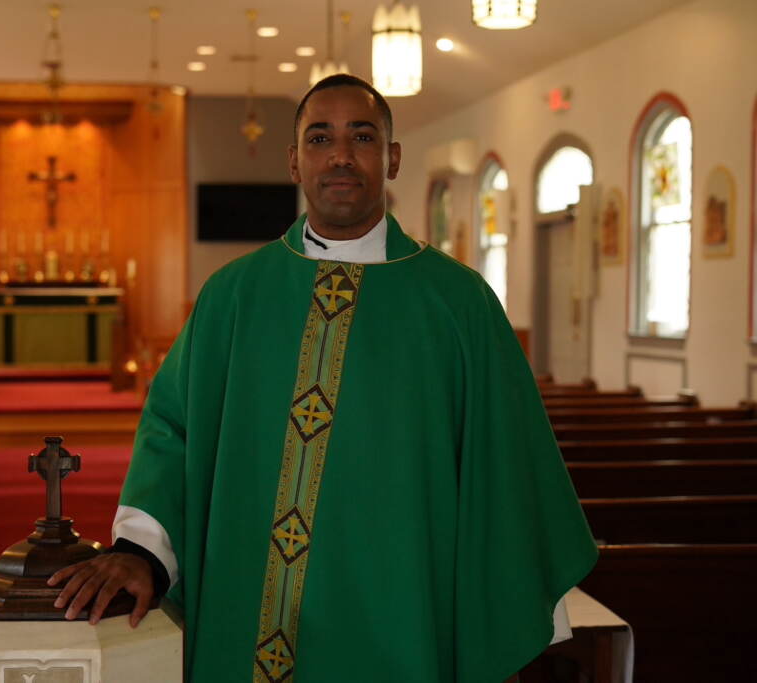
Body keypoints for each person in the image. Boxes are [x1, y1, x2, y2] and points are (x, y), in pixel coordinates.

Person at [48, 74, 598, 682]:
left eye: (361, 136)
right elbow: (172, 427)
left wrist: (510, 599)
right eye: (320, 138)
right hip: (250, 597)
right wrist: (141, 551)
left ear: (391, 158)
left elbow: (509, 460)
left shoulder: (458, 304)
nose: (340, 155)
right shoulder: (233, 296)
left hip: (403, 607)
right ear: (294, 162)